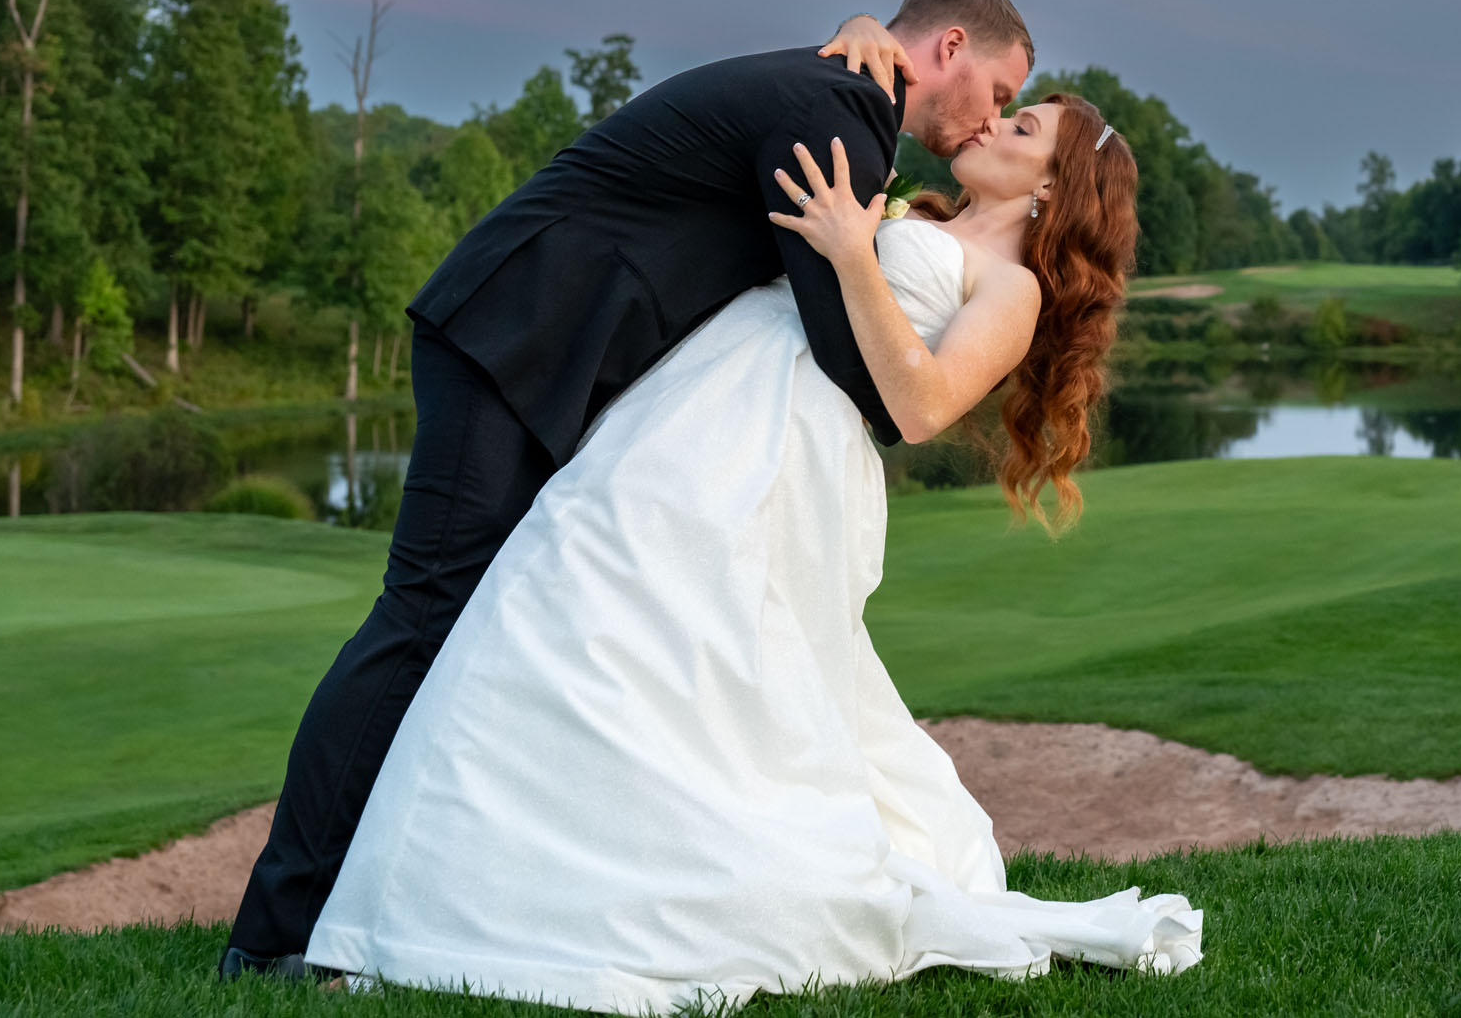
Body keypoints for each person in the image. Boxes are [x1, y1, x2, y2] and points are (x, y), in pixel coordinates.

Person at [300, 81, 1200, 1010]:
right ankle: (440, 898)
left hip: (785, 451)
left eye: (1023, 129)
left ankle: (629, 892)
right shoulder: (906, 209)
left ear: (1052, 191)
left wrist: (856, 255)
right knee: (559, 594)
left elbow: (924, 406)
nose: (992, 126)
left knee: (706, 649)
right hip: (690, 405)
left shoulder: (1011, 289)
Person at [224, 0, 1035, 975]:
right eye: (999, 90)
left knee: (458, 627)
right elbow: (852, 359)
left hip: (545, 357)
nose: (991, 117)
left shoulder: (837, 92)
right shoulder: (843, 110)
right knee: (419, 622)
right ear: (948, 47)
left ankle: (373, 912)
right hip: (514, 340)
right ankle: (268, 943)